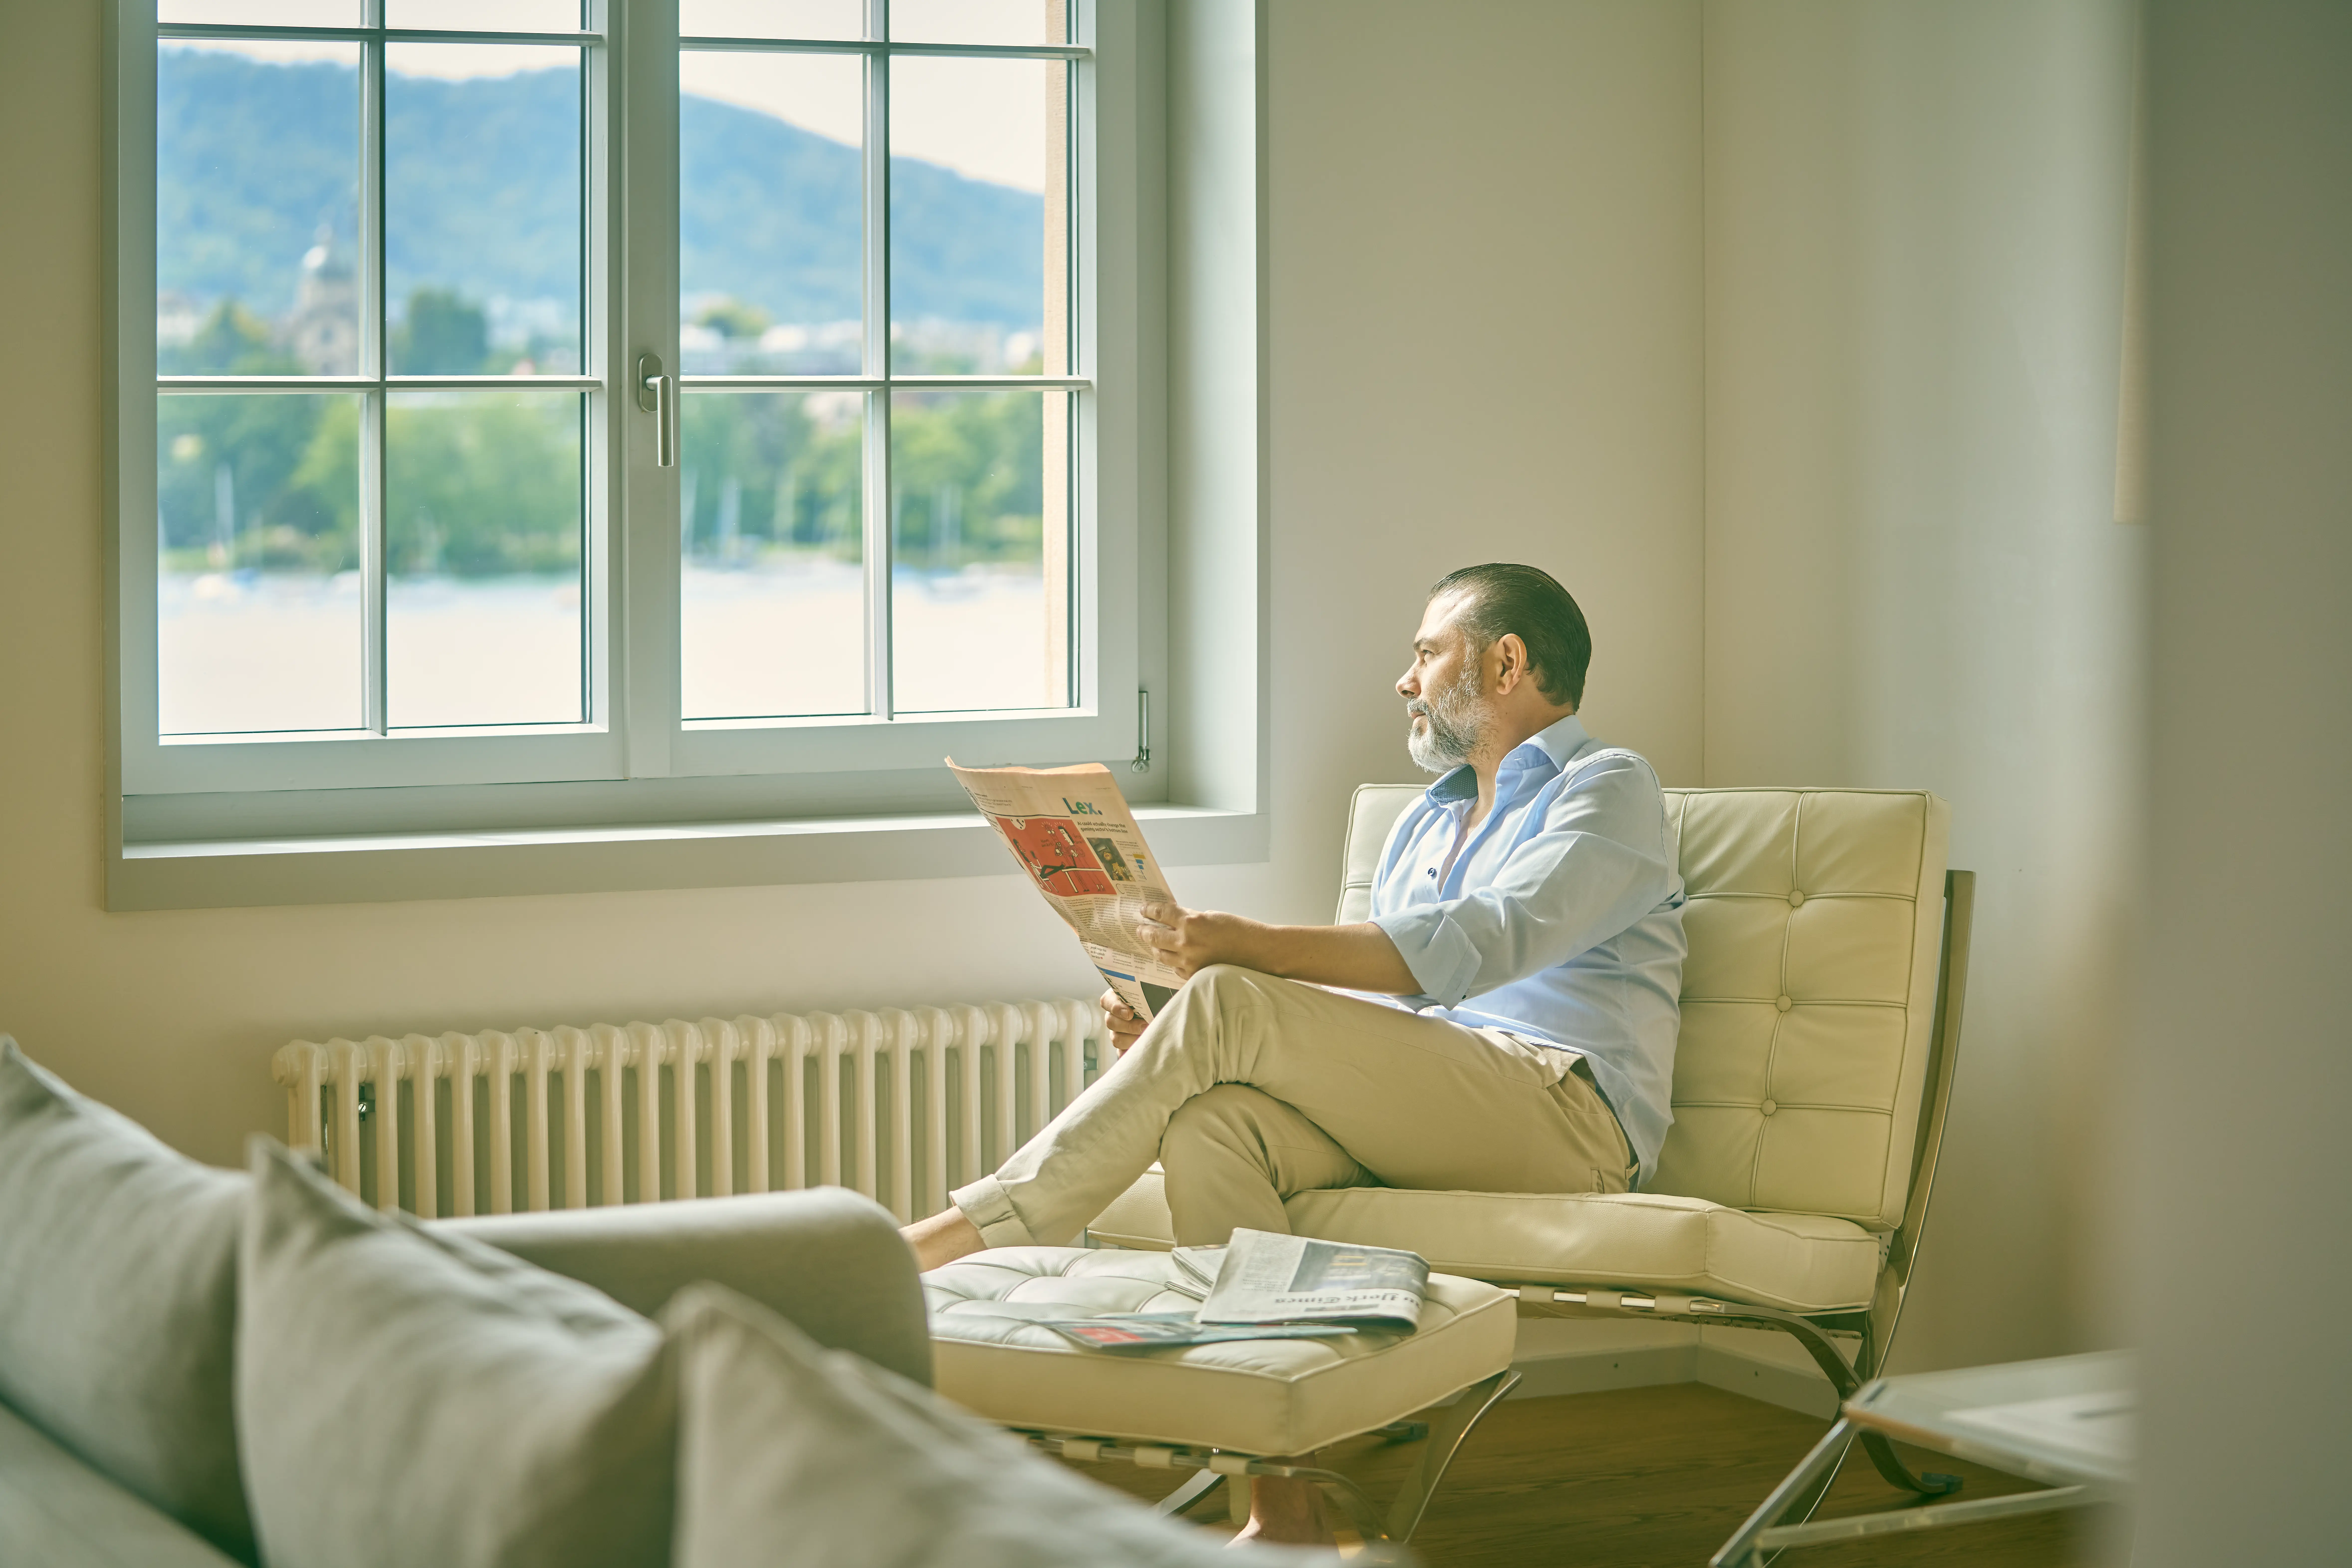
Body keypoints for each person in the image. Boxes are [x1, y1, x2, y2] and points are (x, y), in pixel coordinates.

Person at [904, 563, 1687, 1544]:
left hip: (1563, 1111)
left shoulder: (1608, 786)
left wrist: (1238, 955)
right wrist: (1176, 1034)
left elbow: (1480, 944)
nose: (1404, 679)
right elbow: (1336, 1013)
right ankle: (1286, 1509)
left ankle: (964, 1236)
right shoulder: (1427, 819)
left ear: (1505, 661)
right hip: (1430, 1101)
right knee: (1213, 1123)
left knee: (1231, 998)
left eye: (1424, 651)